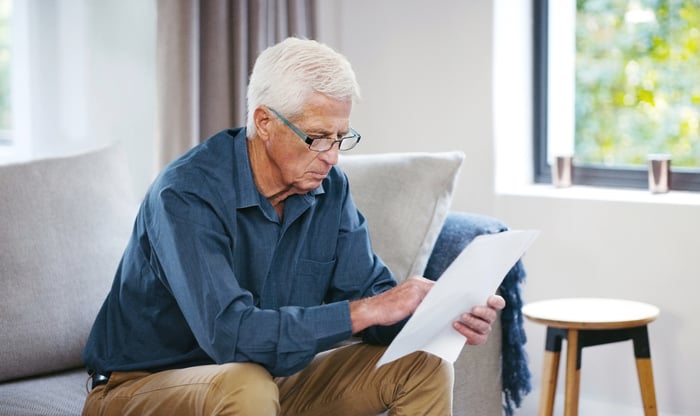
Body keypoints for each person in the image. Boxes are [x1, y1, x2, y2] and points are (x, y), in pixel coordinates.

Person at [82, 37, 505, 416]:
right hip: (141, 387)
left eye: (342, 137)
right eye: (318, 136)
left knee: (422, 364)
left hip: (269, 382)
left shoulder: (329, 190)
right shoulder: (186, 194)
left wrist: (435, 314)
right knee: (245, 383)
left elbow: (372, 304)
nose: (333, 156)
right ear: (264, 122)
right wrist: (372, 308)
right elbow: (232, 337)